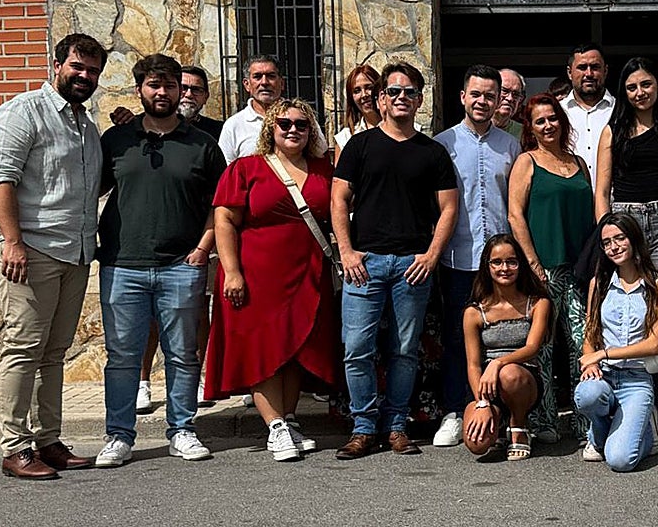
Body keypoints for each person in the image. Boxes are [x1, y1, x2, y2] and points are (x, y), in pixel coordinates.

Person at [94, 54, 225, 468]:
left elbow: (220, 206)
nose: (164, 93)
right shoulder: (117, 140)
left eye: (172, 85)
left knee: (183, 354)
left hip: (181, 265)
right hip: (122, 263)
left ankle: (182, 430)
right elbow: (86, 193)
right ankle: (118, 436)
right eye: (155, 85)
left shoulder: (202, 144)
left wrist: (203, 249)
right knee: (122, 356)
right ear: (140, 90)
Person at [0, 33, 107, 480]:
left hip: (73, 252)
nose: (85, 77)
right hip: (31, 250)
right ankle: (15, 447)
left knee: (54, 353)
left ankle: (47, 439)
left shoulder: (83, 123)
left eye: (93, 71)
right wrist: (12, 241)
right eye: (78, 67)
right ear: (57, 64)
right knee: (22, 349)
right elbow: (0, 178)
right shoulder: (24, 112)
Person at [333, 61, 458, 459]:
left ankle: (397, 425)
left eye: (410, 92)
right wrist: (346, 251)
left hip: (412, 266)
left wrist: (431, 256)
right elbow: (338, 199)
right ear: (382, 99)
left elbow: (449, 209)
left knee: (405, 349)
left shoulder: (433, 152)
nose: (401, 97)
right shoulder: (360, 146)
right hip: (364, 263)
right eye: (394, 91)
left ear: (419, 100)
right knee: (356, 347)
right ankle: (364, 427)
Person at [207, 98, 340, 462]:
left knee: (295, 348)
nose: (293, 129)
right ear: (271, 129)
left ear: (311, 130)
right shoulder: (245, 168)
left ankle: (289, 419)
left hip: (307, 273)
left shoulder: (323, 169)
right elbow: (225, 221)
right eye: (284, 124)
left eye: (301, 124)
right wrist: (232, 271)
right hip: (257, 273)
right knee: (264, 350)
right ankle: (275, 427)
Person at [593, 57, 658, 441]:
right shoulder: (611, 131)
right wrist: (606, 231)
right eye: (631, 87)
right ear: (624, 93)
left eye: (645, 84)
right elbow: (601, 190)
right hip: (626, 224)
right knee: (626, 314)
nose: (639, 93)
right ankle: (629, 405)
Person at [433, 65, 521, 447]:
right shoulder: (442, 143)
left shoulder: (512, 145)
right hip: (459, 258)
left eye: (490, 95)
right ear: (463, 97)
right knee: (458, 338)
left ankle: (499, 410)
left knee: (501, 339)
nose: (483, 101)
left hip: (502, 262)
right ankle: (456, 410)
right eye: (477, 94)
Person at [507, 93, 594, 442]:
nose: (548, 125)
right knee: (541, 345)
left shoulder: (579, 163)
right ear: (531, 127)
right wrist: (532, 263)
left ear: (562, 121)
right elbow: (515, 215)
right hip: (543, 266)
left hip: (579, 268)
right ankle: (543, 420)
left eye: (552, 118)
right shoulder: (527, 162)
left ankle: (584, 419)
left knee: (581, 342)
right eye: (540, 120)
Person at [575, 212, 658, 472]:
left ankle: (647, 430)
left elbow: (654, 344)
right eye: (607, 242)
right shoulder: (598, 284)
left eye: (620, 238)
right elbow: (590, 333)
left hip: (637, 379)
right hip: (605, 377)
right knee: (586, 394)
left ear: (634, 240)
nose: (613, 247)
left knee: (620, 461)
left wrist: (602, 354)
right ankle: (598, 435)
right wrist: (590, 363)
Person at [461, 234, 552, 461]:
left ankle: (519, 424)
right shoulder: (474, 312)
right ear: (487, 266)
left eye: (512, 261)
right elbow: (473, 364)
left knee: (508, 374)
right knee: (477, 443)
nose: (505, 268)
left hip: (523, 381)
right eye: (497, 262)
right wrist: (482, 403)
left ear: (520, 265)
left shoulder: (538, 303)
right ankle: (499, 422)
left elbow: (532, 347)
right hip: (487, 387)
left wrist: (498, 364)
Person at [560, 43, 615, 189]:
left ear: (605, 71)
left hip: (614, 205)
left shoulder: (620, 110)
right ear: (569, 72)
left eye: (595, 67)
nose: (589, 74)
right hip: (571, 202)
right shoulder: (557, 114)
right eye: (582, 67)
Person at [334, 63, 381, 164]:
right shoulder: (345, 138)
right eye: (357, 91)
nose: (364, 95)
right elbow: (339, 179)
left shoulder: (406, 130)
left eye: (369, 87)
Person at [494, 68, 527, 141]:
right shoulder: (475, 129)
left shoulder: (525, 134)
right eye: (505, 91)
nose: (510, 98)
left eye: (516, 94)